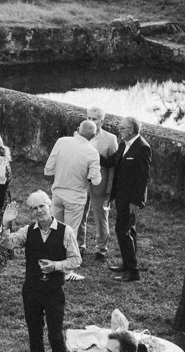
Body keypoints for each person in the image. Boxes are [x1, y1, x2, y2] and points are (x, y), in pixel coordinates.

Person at [8, 191, 80, 352]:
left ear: (49, 206)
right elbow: (7, 243)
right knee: (34, 333)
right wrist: (6, 224)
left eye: (42, 206)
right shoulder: (28, 231)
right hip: (31, 290)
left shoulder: (66, 231)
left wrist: (56, 266)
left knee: (55, 336)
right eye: (34, 208)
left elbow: (76, 260)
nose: (39, 211)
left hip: (54, 291)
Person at [110, 117, 153, 282]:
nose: (119, 130)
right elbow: (114, 161)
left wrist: (135, 202)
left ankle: (133, 271)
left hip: (130, 199)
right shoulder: (124, 144)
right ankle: (127, 264)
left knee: (122, 231)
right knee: (130, 229)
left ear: (131, 130)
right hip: (121, 195)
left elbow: (143, 178)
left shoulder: (142, 148)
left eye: (122, 128)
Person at [43, 120, 102, 239]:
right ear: (94, 136)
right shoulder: (92, 152)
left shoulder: (61, 141)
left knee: (54, 230)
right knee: (69, 234)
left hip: (57, 193)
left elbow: (48, 169)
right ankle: (66, 256)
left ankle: (53, 255)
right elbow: (96, 181)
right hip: (76, 198)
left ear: (77, 129)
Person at [82, 115, 119, 260]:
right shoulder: (80, 135)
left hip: (100, 184)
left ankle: (101, 249)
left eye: (95, 118)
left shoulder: (110, 139)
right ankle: (79, 245)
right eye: (89, 117)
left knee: (101, 218)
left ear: (102, 121)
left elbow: (112, 167)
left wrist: (109, 189)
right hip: (83, 182)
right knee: (80, 215)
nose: (92, 120)